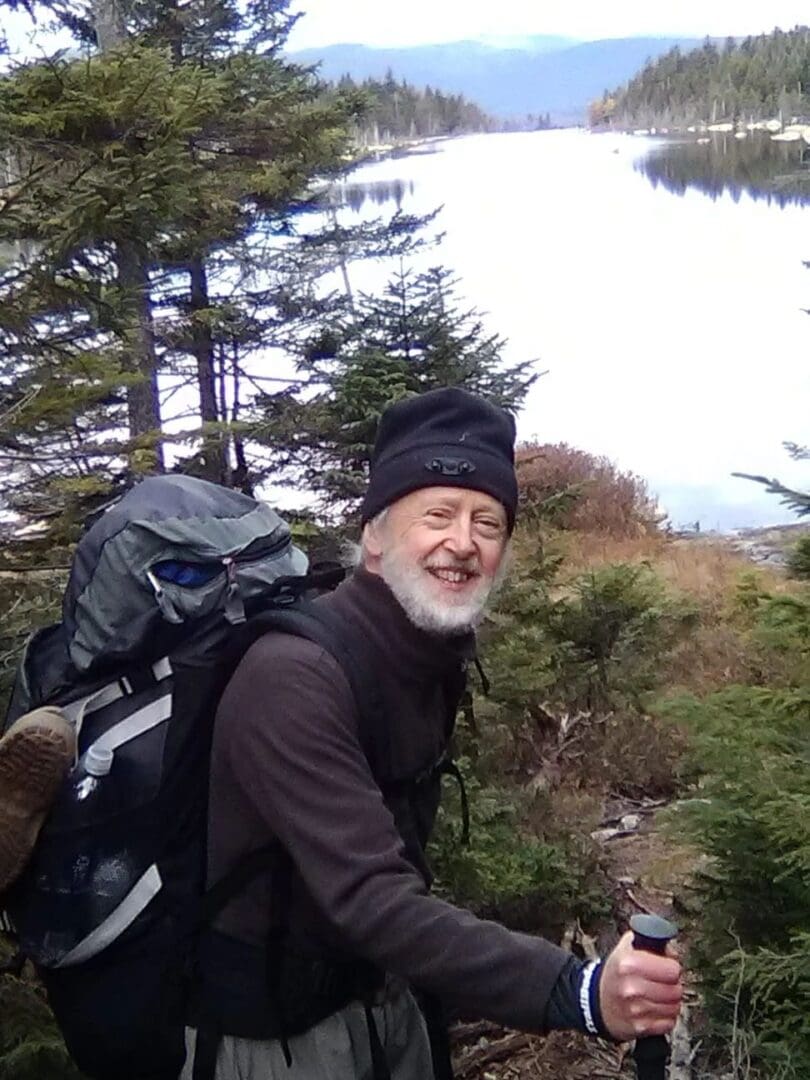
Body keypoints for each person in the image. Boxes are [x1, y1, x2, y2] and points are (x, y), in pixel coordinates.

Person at [185, 387, 683, 1080]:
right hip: (278, 1037)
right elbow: (371, 898)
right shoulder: (294, 677)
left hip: (384, 993)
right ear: (374, 533)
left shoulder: (426, 652)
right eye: (438, 515)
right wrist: (575, 989)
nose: (464, 542)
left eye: (488, 522)